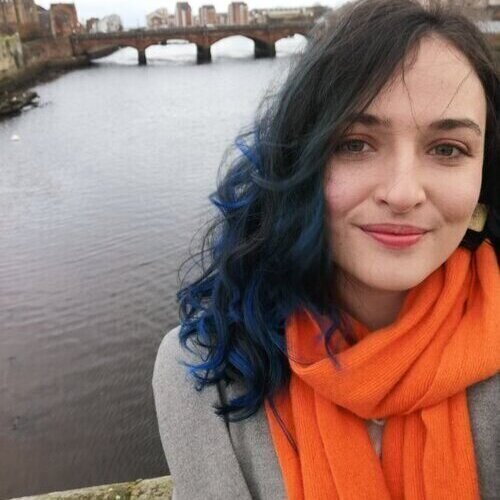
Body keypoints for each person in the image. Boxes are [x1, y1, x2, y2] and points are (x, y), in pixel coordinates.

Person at [153, 0, 499, 498]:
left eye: (448, 149)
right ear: (300, 159)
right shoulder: (204, 372)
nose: (403, 193)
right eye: (355, 143)